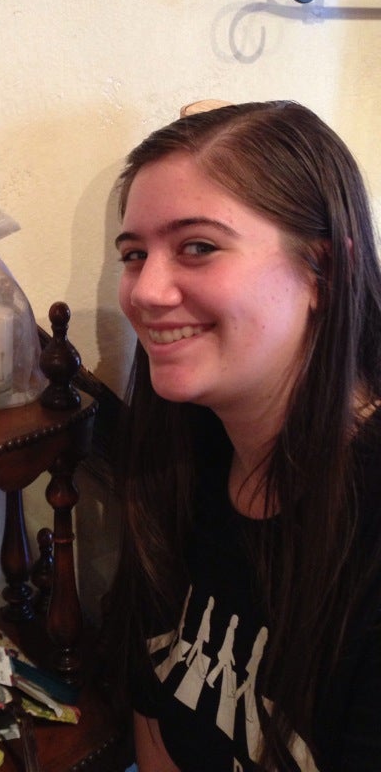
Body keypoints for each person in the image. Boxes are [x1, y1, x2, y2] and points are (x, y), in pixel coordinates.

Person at [106, 101, 381, 772]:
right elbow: (154, 715)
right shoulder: (177, 461)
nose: (146, 291)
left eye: (198, 247)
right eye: (134, 255)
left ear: (323, 273)